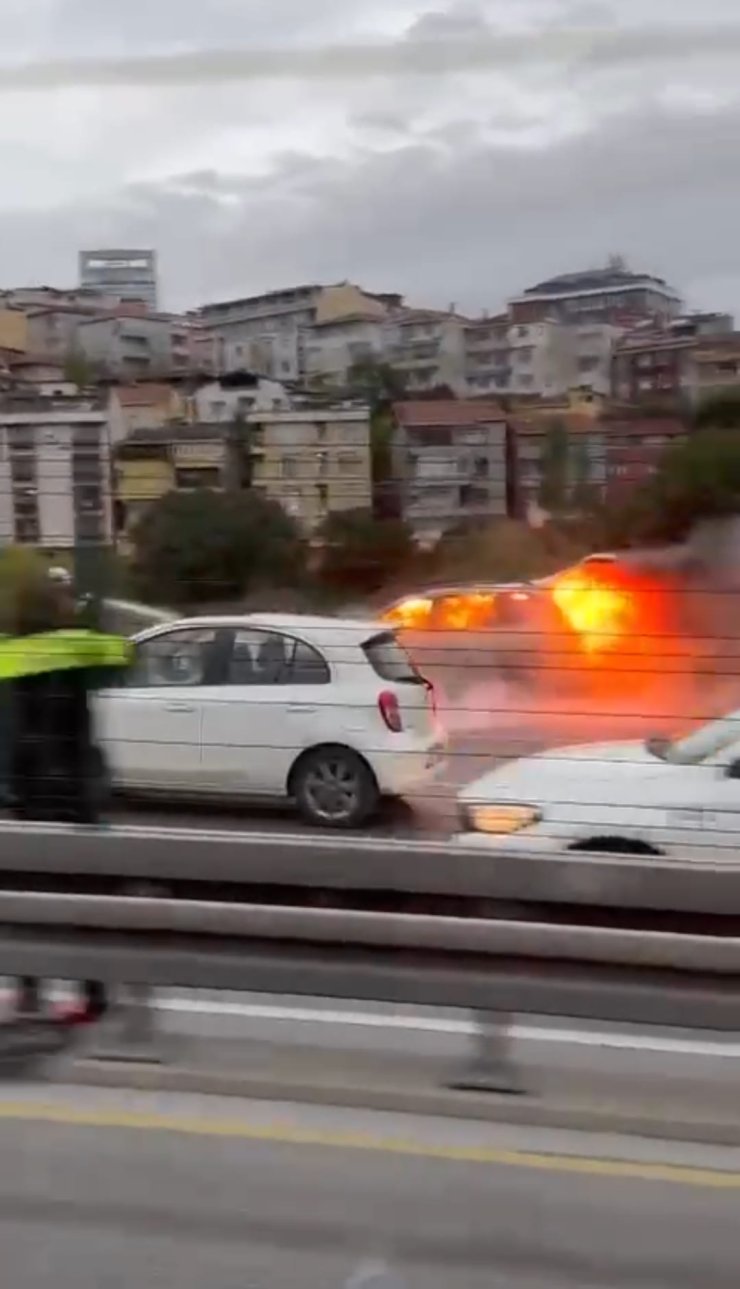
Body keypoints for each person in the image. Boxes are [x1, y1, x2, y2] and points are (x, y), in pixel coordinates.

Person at [0, 565, 132, 1023]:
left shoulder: (24, 659)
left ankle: (45, 992)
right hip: (71, 799)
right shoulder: (69, 654)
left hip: (45, 799)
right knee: (67, 906)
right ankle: (65, 993)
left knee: (37, 905)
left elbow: (21, 735)